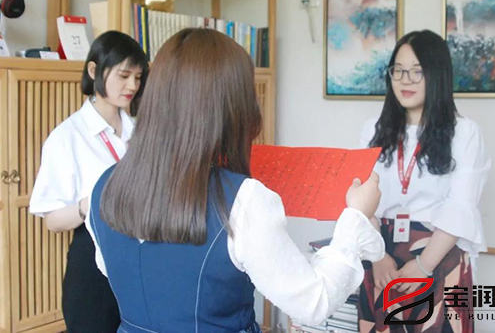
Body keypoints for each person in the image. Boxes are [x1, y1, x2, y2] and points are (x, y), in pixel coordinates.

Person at [86, 28, 386, 333]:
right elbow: (313, 303)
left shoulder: (103, 187)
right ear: (232, 106)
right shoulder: (243, 200)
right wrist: (356, 217)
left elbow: (118, 272)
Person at [358, 30, 491, 333]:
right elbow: (363, 201)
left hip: (438, 252)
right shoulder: (372, 130)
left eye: (417, 71)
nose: (406, 80)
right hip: (381, 251)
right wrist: (378, 256)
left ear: (437, 75)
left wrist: (423, 266)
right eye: (398, 70)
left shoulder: (465, 133)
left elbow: (460, 207)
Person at [29, 31, 149, 332]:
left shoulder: (139, 132)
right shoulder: (67, 137)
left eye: (137, 77)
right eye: (124, 76)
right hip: (94, 265)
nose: (132, 86)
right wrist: (89, 204)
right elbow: (53, 221)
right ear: (94, 70)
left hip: (141, 261)